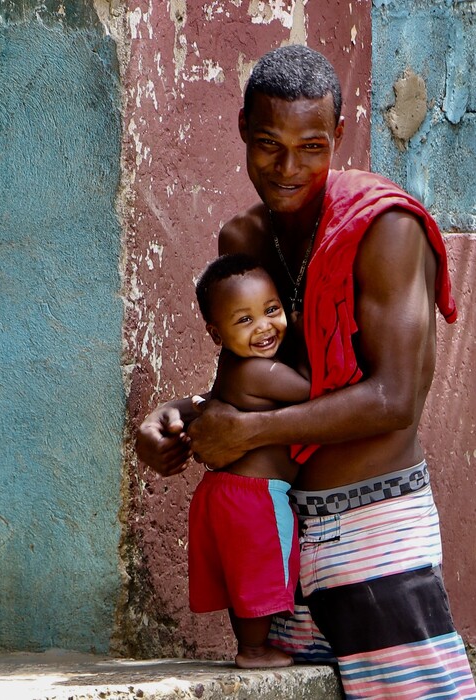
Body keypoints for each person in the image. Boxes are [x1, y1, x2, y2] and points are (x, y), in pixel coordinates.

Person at [136, 44, 476, 699]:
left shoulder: (386, 230)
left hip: (374, 533)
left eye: (312, 147)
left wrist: (246, 435)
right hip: (281, 544)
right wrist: (182, 413)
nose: (289, 168)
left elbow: (395, 398)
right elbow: (258, 381)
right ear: (242, 128)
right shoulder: (244, 242)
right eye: (268, 144)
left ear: (339, 138)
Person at [189, 253, 310, 669]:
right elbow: (316, 394)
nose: (264, 327)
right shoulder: (261, 372)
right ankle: (255, 651)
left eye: (272, 310)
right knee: (262, 569)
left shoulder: (230, 364)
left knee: (242, 572)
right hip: (255, 496)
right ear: (215, 332)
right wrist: (306, 332)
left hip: (222, 491)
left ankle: (250, 645)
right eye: (244, 320)